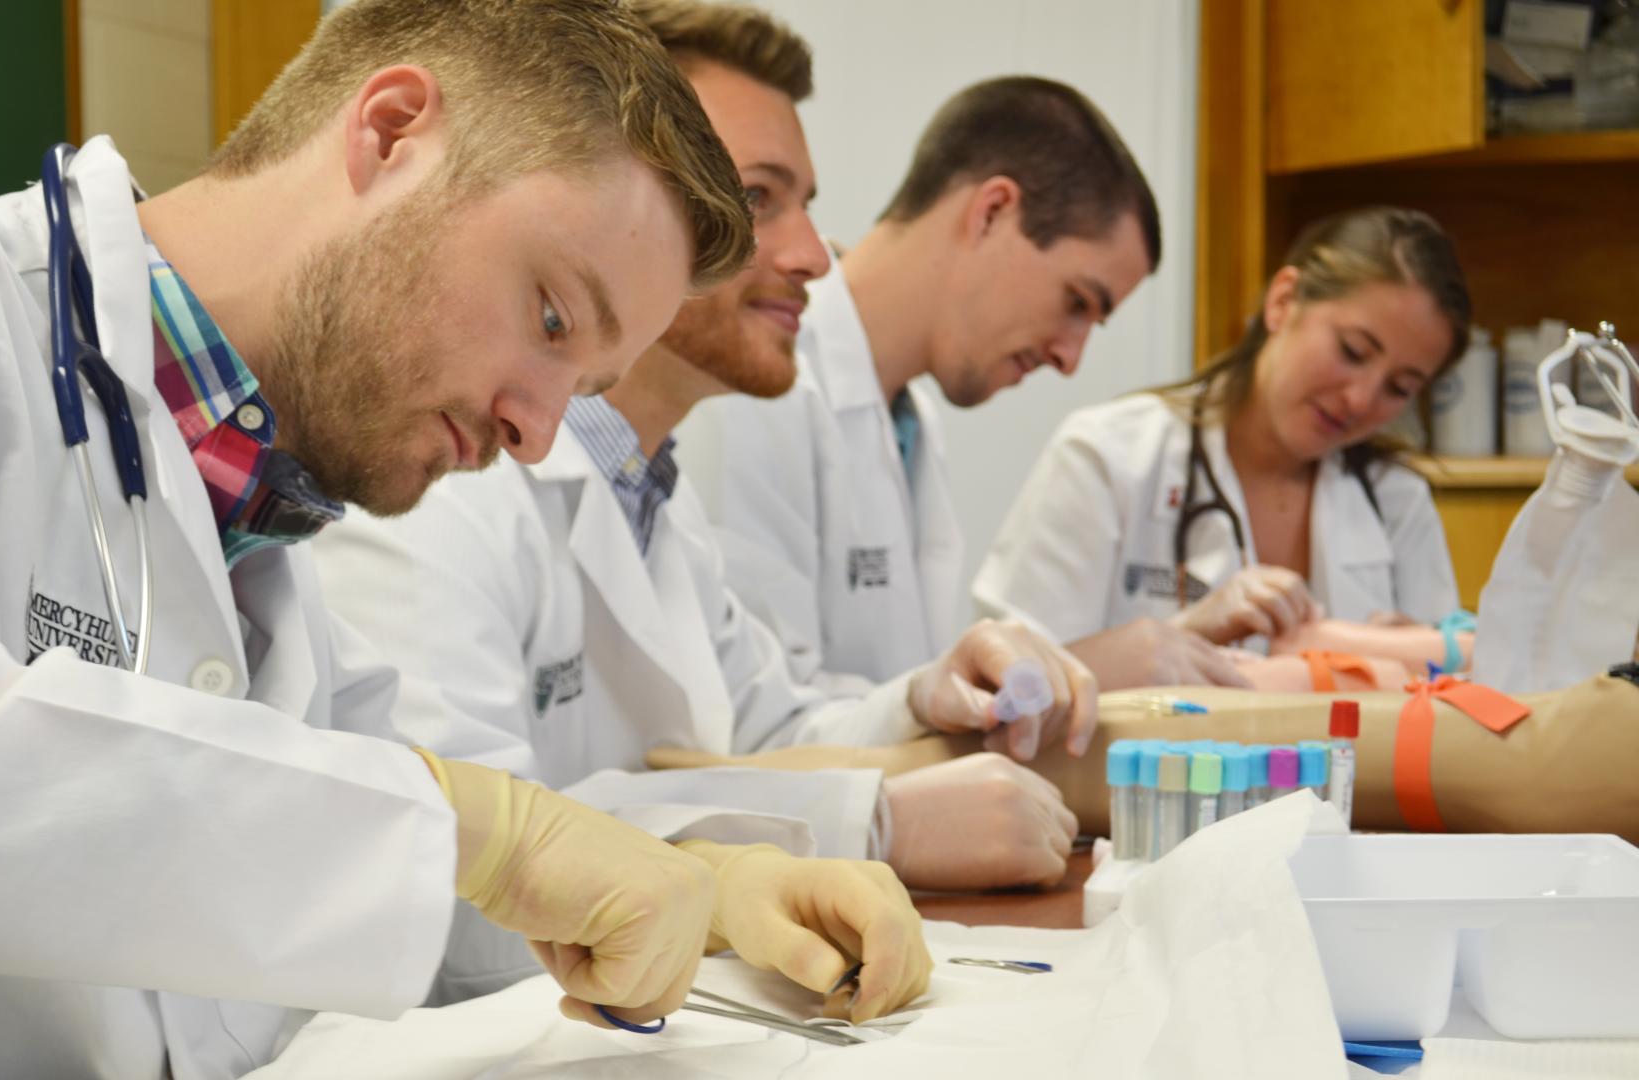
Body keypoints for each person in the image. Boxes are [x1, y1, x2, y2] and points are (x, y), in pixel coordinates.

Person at [0, 2, 923, 1076]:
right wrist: (484, 834)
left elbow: (394, 875)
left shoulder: (264, 532)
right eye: (551, 316)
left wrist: (705, 887)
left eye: (586, 384)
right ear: (391, 130)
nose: (538, 433)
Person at [315, 0, 1088, 1003]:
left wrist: (922, 697)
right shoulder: (439, 477)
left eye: (802, 202)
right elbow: (456, 877)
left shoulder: (651, 497)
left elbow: (763, 730)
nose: (817, 255)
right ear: (620, 208)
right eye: (759, 199)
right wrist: (874, 824)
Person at [675, 76, 1235, 693]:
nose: (1070, 358)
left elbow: (904, 697)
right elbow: (762, 719)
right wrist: (1078, 673)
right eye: (1076, 301)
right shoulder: (755, 385)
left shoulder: (911, 423)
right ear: (992, 212)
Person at [972, 207, 1468, 651]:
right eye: (1353, 351)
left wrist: (1412, 662)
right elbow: (1013, 686)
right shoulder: (1109, 458)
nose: (1360, 399)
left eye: (1400, 388)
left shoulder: (1396, 503)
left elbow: (1457, 693)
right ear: (1283, 300)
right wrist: (1183, 637)